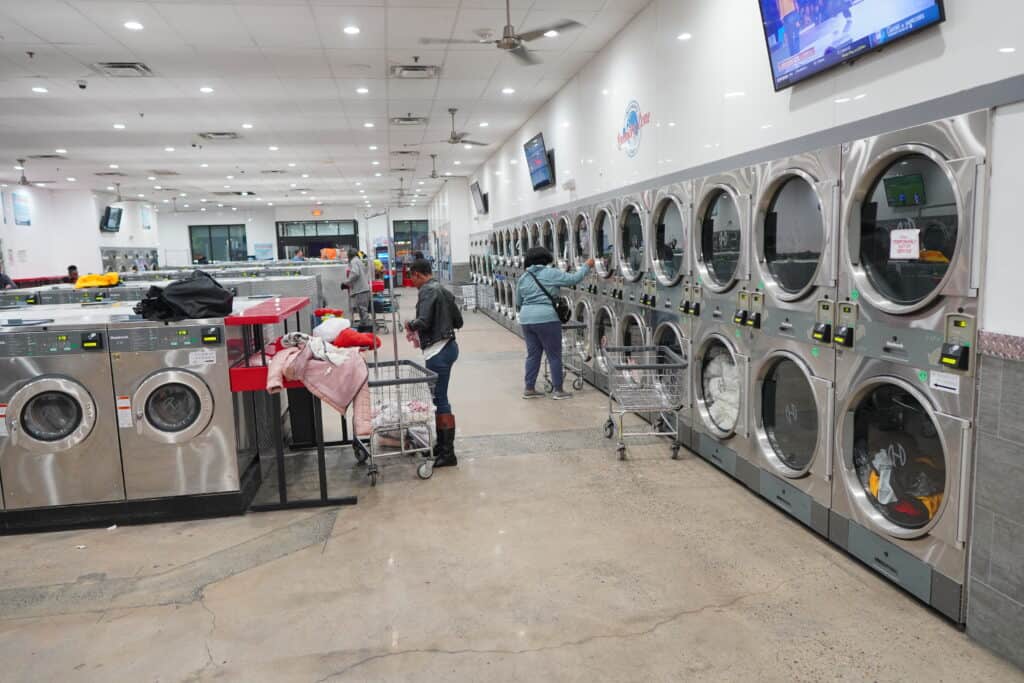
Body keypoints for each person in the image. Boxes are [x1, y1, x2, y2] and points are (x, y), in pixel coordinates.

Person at [406, 259, 462, 468]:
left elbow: (424, 321)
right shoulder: (443, 289)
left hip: (437, 350)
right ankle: (441, 445)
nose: (411, 281)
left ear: (419, 275)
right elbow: (459, 321)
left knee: (439, 398)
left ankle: (448, 453)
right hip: (449, 346)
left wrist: (410, 324)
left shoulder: (427, 291)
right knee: (439, 397)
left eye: (412, 277)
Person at [517, 246, 594, 400]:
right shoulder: (550, 273)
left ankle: (529, 388)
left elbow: (518, 302)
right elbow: (574, 279)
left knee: (533, 355)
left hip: (526, 319)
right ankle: (558, 390)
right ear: (545, 259)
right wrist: (587, 265)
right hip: (546, 318)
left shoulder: (523, 277)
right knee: (554, 355)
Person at [343, 247, 371, 326]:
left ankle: (366, 330)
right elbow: (363, 273)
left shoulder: (353, 261)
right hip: (364, 289)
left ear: (349, 255)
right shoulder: (359, 261)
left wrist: (346, 282)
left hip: (360, 290)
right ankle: (365, 328)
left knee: (362, 311)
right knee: (363, 311)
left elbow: (355, 273)